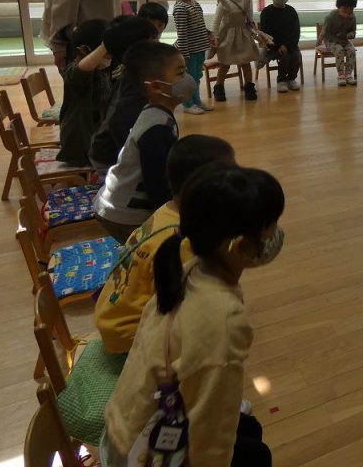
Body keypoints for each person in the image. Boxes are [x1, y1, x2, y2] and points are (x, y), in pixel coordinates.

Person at [100, 164, 282, 467]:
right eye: (272, 227)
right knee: (258, 456)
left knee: (250, 429)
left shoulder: (186, 269)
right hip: (143, 452)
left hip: (127, 426)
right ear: (240, 245)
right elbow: (211, 428)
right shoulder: (223, 319)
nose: (277, 234)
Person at [95, 135, 237, 354]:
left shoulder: (165, 212)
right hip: (130, 336)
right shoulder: (185, 243)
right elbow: (186, 305)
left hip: (111, 318)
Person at [93, 43, 190, 243]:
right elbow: (157, 186)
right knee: (166, 249)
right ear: (156, 86)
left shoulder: (155, 113)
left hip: (117, 204)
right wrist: (175, 219)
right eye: (180, 73)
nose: (187, 79)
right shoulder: (157, 128)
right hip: (125, 215)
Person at [87, 18, 160, 171]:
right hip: (108, 156)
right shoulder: (135, 84)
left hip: (104, 148)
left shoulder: (130, 72)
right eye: (154, 41)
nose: (158, 45)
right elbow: (119, 124)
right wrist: (133, 155)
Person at [56, 19, 109, 166]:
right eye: (105, 52)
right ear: (84, 50)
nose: (109, 57)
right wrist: (104, 46)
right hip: (80, 146)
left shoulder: (101, 69)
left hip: (94, 137)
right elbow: (82, 69)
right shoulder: (73, 71)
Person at [211, 0, 263, 103]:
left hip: (243, 35)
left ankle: (249, 87)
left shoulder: (247, 1)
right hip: (227, 36)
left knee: (246, 62)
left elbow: (250, 21)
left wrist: (256, 34)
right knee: (225, 64)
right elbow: (216, 22)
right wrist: (214, 37)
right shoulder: (224, 2)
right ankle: (218, 87)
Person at [169, 0, 213, 115]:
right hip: (189, 52)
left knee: (197, 77)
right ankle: (188, 104)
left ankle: (197, 100)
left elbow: (199, 25)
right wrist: (184, 55)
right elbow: (182, 33)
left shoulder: (195, 4)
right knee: (188, 78)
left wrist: (209, 34)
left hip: (199, 48)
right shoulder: (180, 8)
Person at [259, 0, 302, 93]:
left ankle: (291, 79)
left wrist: (288, 45)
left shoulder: (291, 11)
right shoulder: (266, 12)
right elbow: (266, 32)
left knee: (296, 56)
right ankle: (281, 80)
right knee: (284, 56)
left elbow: (296, 32)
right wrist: (278, 46)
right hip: (273, 45)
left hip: (290, 45)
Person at [319, 0, 358, 86]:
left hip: (344, 40)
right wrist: (319, 41)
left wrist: (350, 35)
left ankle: (348, 74)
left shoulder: (352, 17)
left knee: (351, 50)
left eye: (351, 9)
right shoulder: (331, 17)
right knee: (339, 50)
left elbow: (353, 30)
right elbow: (325, 33)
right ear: (339, 6)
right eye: (345, 9)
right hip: (331, 40)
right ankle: (341, 75)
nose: (348, 12)